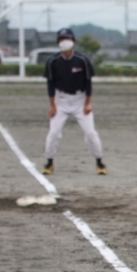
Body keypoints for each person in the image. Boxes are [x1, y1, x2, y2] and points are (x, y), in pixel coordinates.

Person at [41, 28, 106, 175]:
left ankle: (99, 162)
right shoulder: (52, 61)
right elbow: (50, 84)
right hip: (61, 99)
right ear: (58, 42)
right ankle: (49, 162)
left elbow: (88, 83)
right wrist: (52, 106)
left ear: (73, 41)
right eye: (61, 39)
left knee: (90, 133)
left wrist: (87, 103)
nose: (64, 42)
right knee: (54, 132)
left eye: (67, 39)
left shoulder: (82, 60)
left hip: (80, 99)